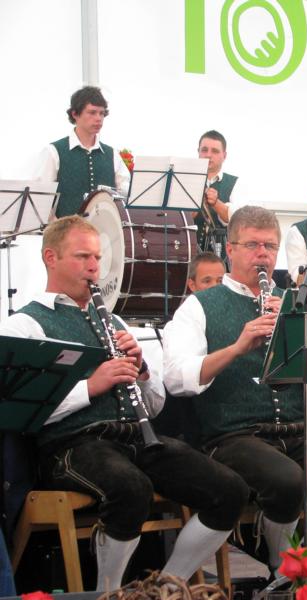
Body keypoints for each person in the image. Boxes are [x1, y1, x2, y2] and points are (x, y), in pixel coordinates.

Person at [0, 216, 249, 591]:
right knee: (130, 489)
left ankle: (166, 588)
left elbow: (155, 407)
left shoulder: (113, 320)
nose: (94, 267)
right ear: (50, 257)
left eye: (97, 258)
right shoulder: (24, 325)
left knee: (230, 490)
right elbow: (23, 410)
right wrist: (92, 386)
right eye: (82, 257)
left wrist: (143, 372)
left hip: (133, 438)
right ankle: (110, 592)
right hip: (71, 445)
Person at [162, 205, 307, 575]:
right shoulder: (199, 306)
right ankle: (282, 565)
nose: (262, 254)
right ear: (230, 249)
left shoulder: (294, 300)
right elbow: (175, 378)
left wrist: (301, 331)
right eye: (252, 245)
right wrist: (236, 348)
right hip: (233, 435)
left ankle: (300, 562)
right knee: (287, 480)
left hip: (296, 432)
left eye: (269, 246)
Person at [35, 86, 131, 218]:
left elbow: (127, 193)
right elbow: (40, 199)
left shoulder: (112, 154)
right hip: (66, 230)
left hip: (104, 230)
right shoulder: (54, 151)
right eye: (92, 112)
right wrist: (57, 226)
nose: (98, 118)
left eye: (101, 113)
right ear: (75, 114)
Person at [194, 130, 238, 256]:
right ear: (198, 152)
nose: (208, 155)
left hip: (222, 257)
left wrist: (216, 203)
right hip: (189, 254)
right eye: (204, 150)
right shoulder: (186, 180)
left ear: (224, 155)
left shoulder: (235, 183)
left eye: (215, 151)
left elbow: (237, 219)